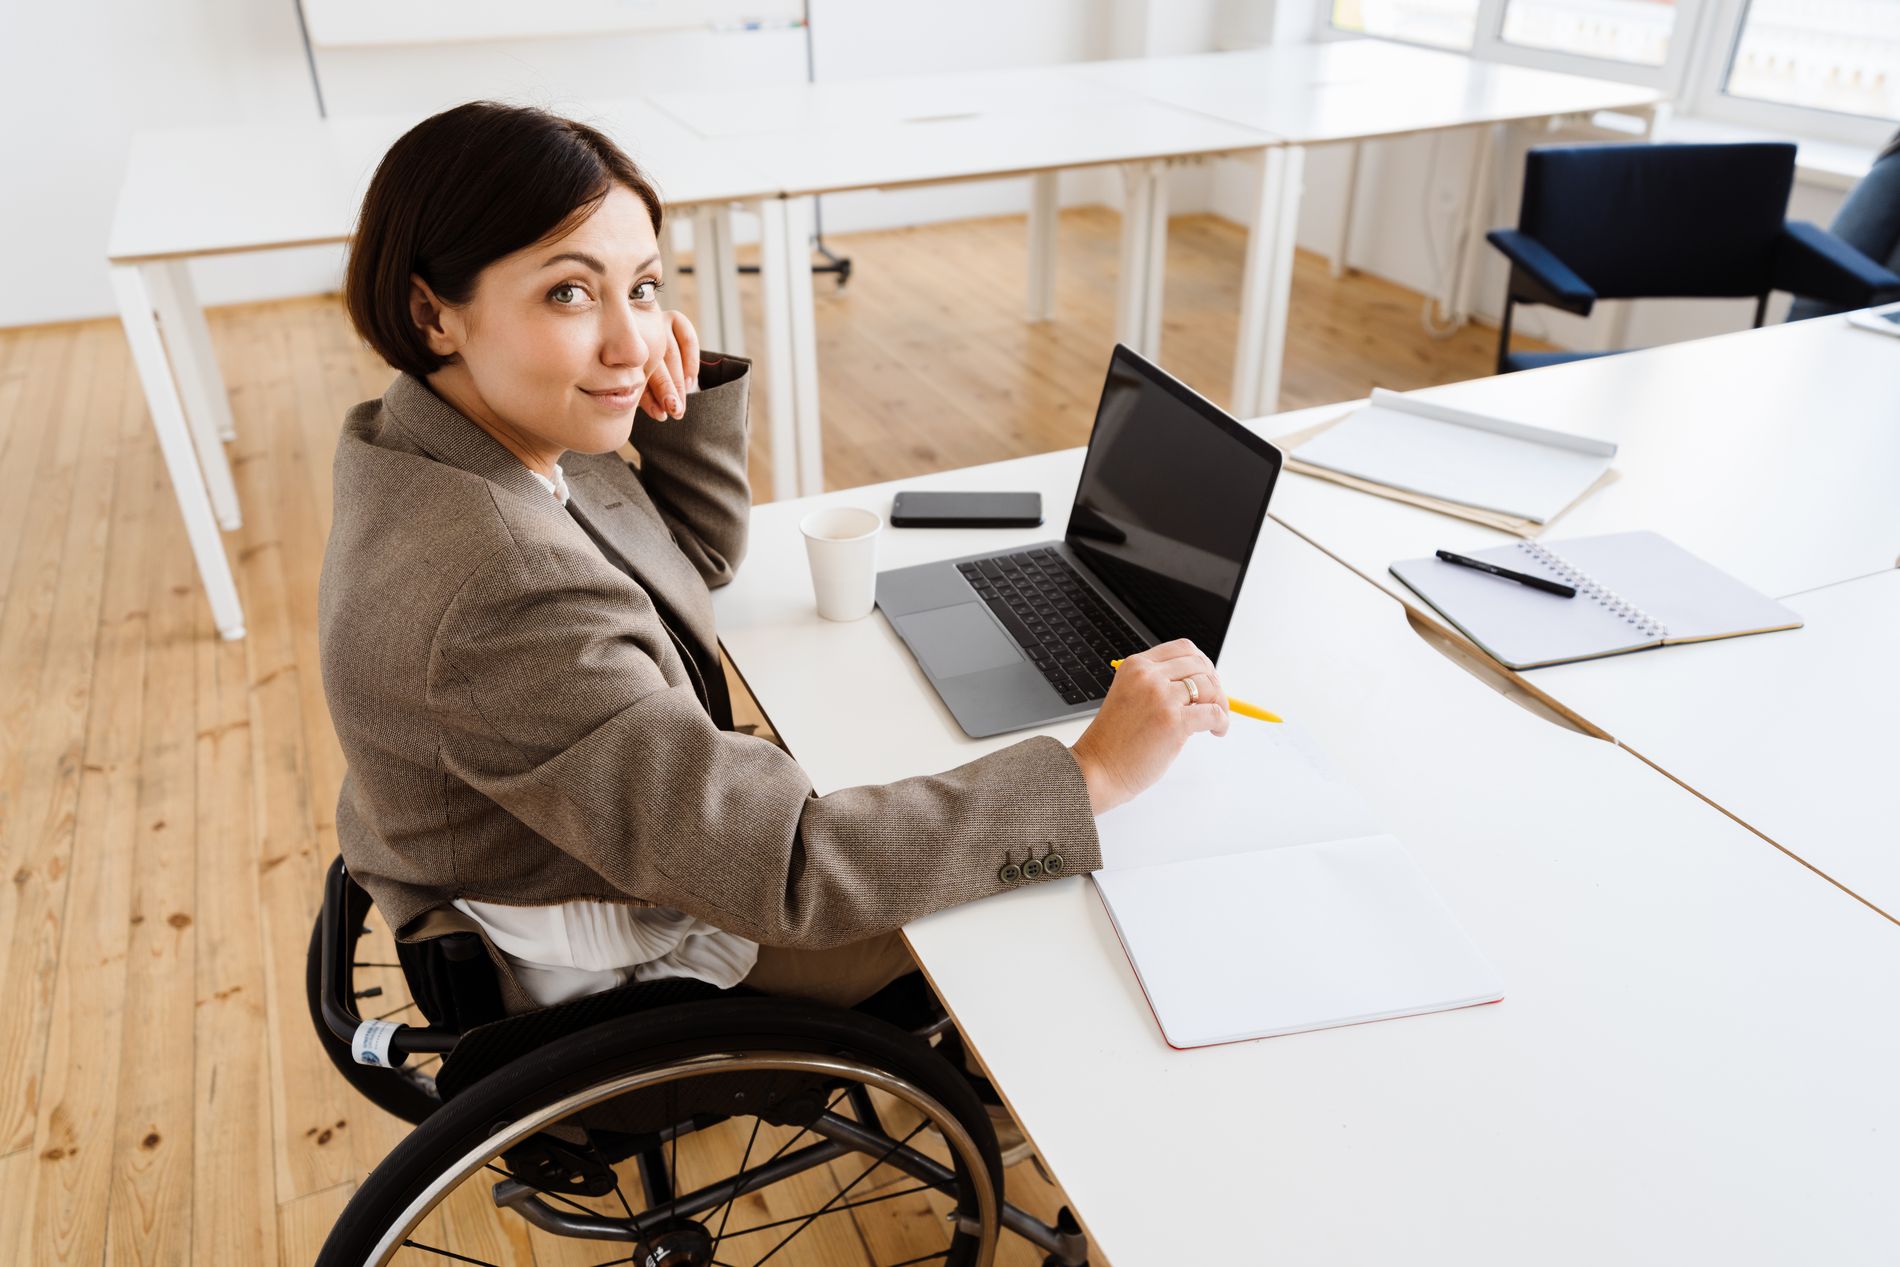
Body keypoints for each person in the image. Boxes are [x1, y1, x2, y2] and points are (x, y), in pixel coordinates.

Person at [318, 100, 1230, 1022]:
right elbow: (791, 868)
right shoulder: (503, 582)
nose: (632, 342)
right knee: (1049, 887)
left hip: (595, 842)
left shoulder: (440, 434)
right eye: (569, 292)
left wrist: (677, 391)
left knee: (940, 771)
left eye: (641, 287)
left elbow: (693, 559)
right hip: (629, 953)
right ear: (433, 312)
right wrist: (1093, 774)